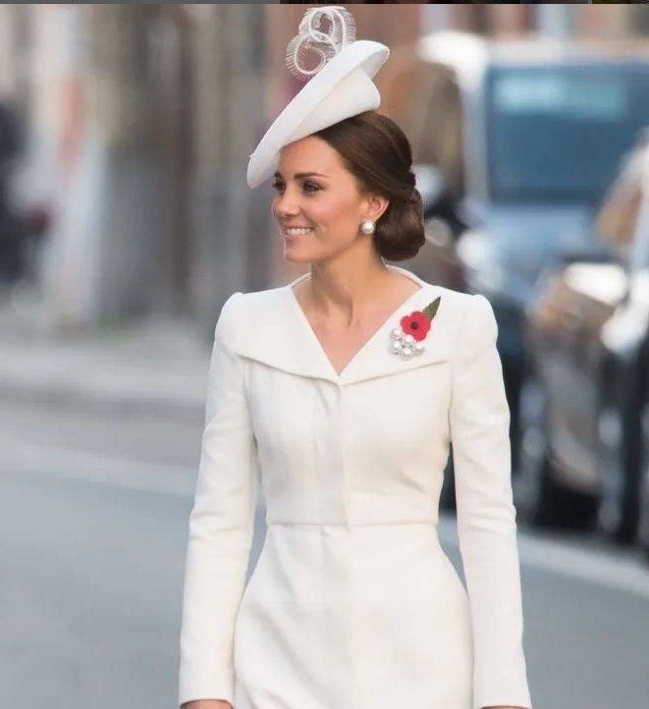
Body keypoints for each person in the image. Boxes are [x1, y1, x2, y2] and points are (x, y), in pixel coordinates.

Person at [178, 7, 533, 709]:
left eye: (311, 186)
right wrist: (204, 690)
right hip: (275, 661)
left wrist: (502, 693)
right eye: (282, 185)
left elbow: (489, 521)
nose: (286, 205)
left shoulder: (457, 326)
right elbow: (218, 521)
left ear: (372, 200)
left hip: (421, 662)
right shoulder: (247, 327)